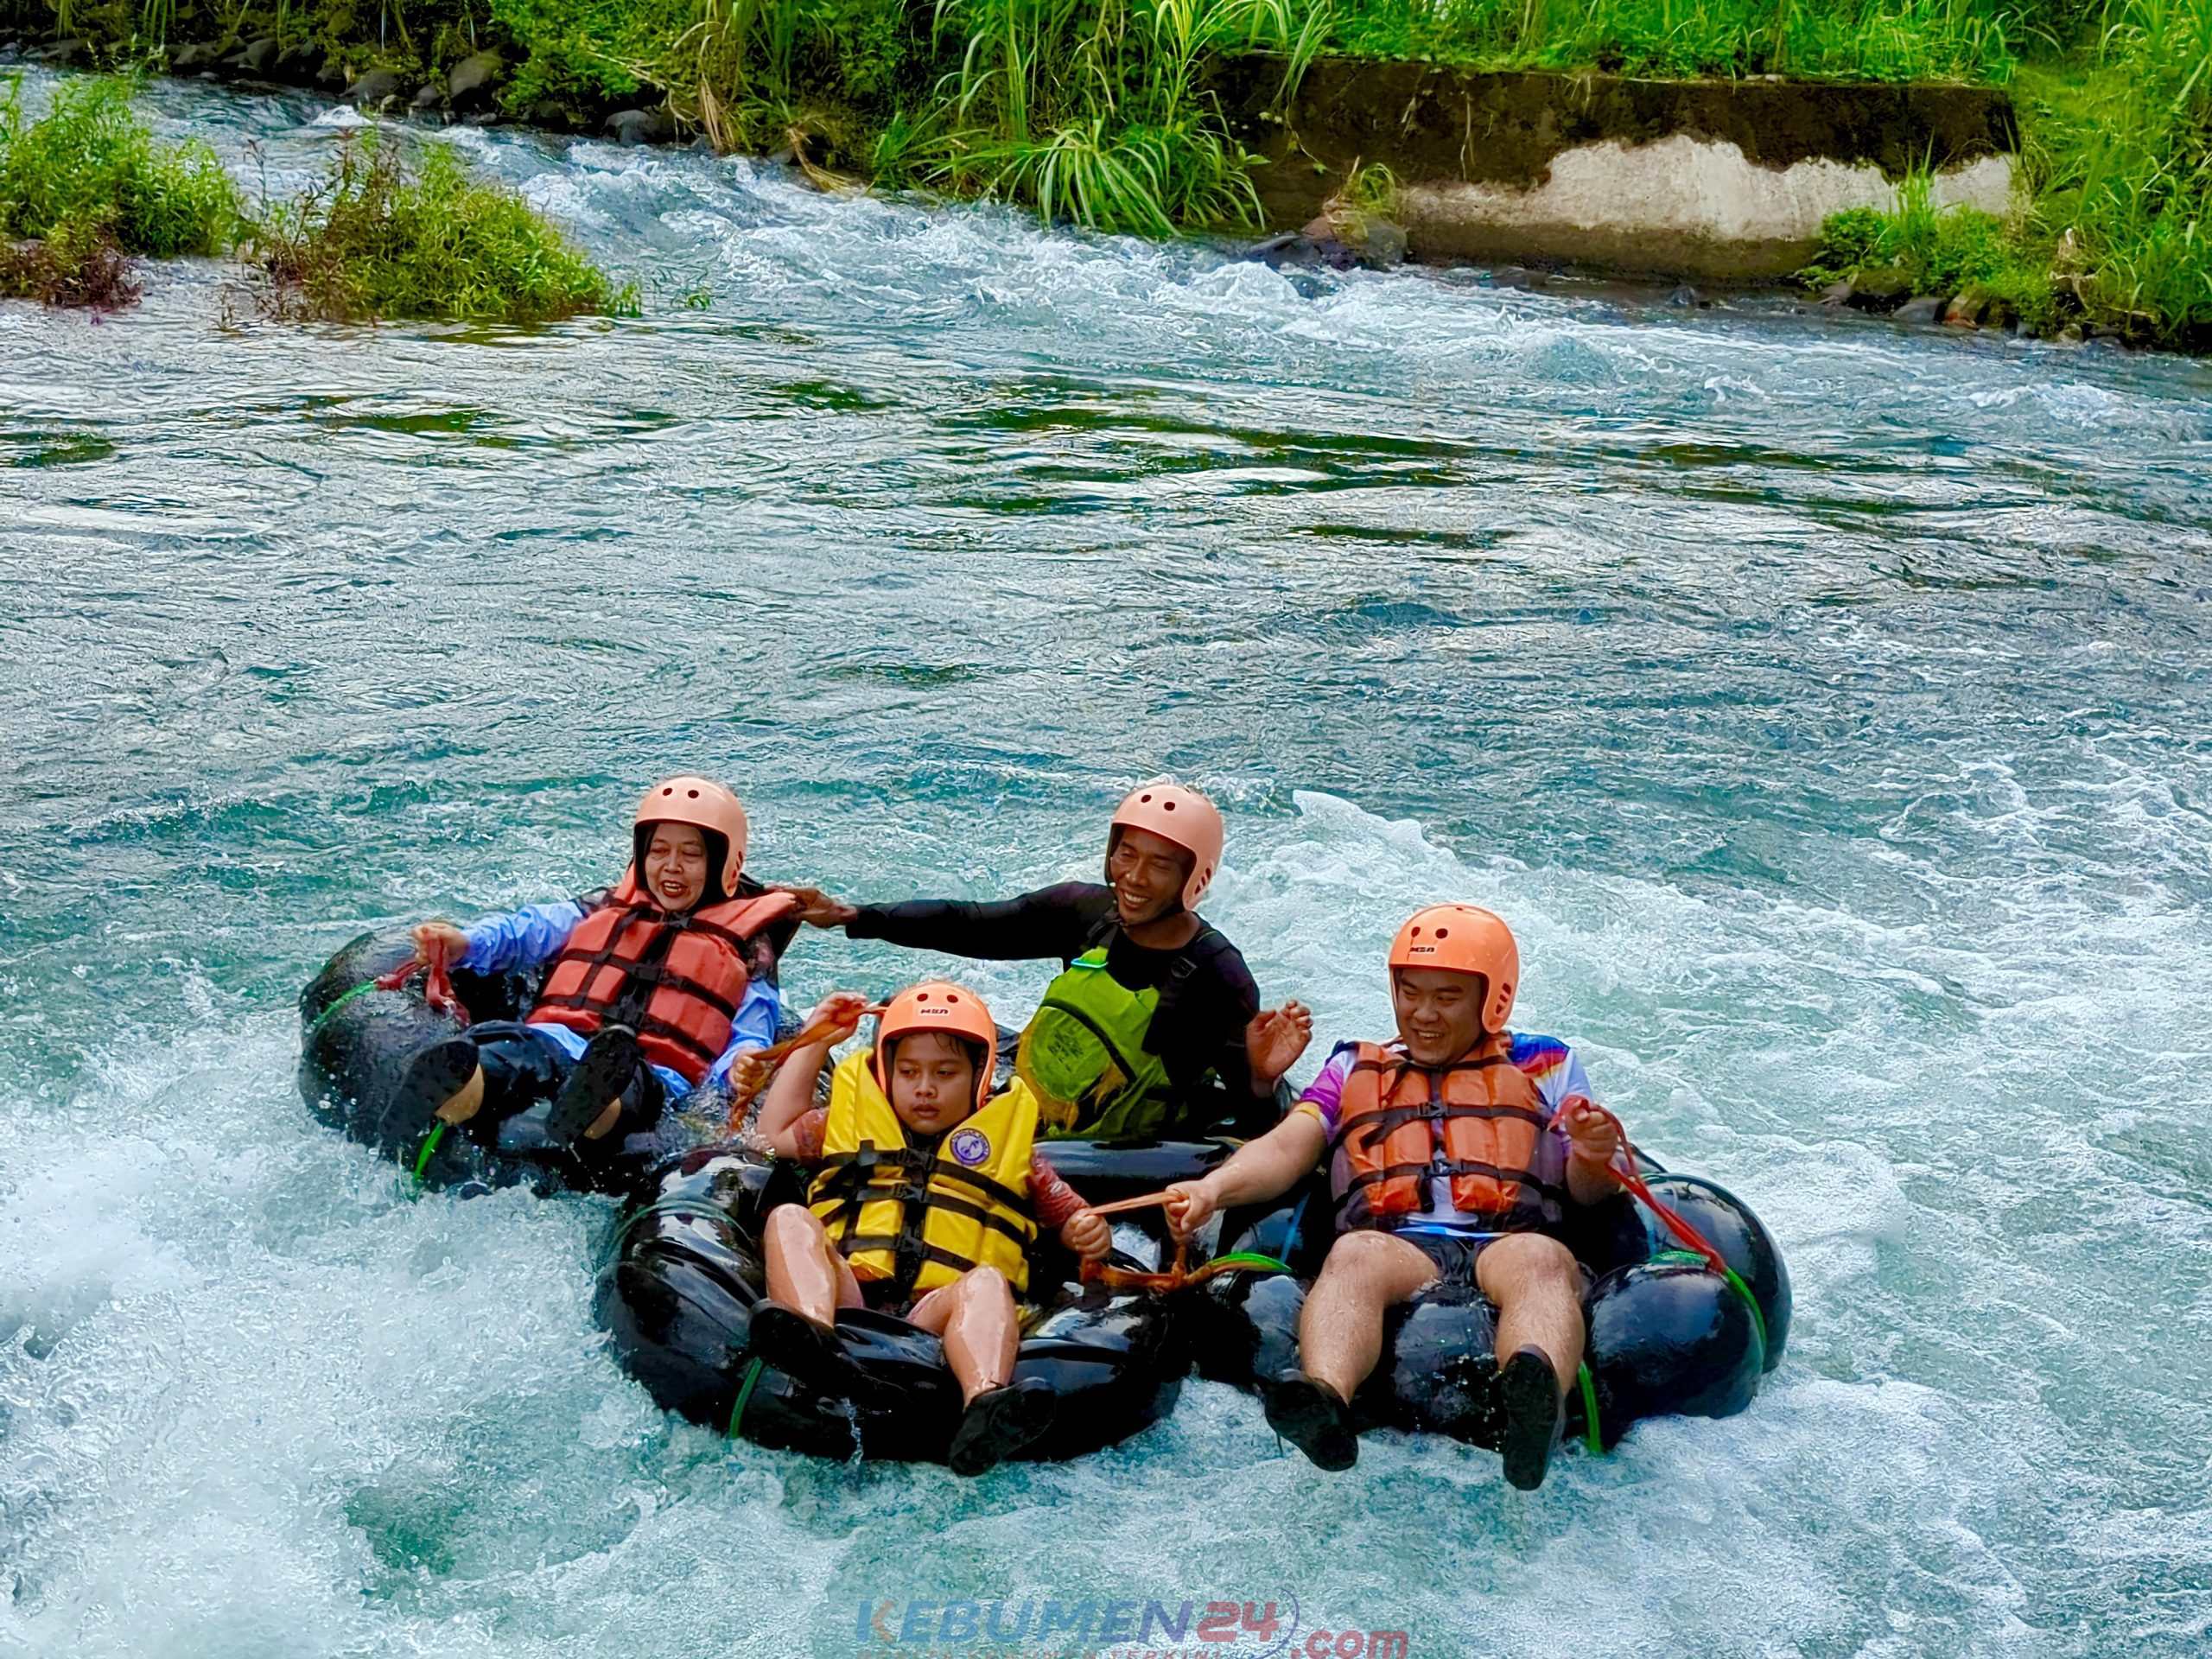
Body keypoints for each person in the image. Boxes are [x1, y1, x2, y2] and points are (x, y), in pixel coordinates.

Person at [1163, 904, 1626, 1489]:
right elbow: (1287, 1148)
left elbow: (1593, 1194)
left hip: (1507, 1238)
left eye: (1446, 998)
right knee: (1352, 1256)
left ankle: (1534, 1409)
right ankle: (1325, 1400)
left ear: (1494, 999)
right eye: (1409, 993)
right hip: (1398, 1244)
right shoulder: (1353, 1067)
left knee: (1542, 1263)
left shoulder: (1545, 1064)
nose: (1422, 1014)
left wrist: (1591, 1152)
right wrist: (1212, 1189)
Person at [780, 782, 1312, 1141]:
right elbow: (971, 922)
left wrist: (1262, 1078)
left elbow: (1254, 1123)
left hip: (1121, 1147)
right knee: (908, 1012)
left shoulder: (1219, 974)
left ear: (1194, 878)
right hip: (1039, 1097)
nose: (1133, 877)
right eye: (1126, 853)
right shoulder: (1086, 912)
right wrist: (854, 915)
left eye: (1160, 866)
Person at [747, 981, 1113, 1475]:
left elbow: (1072, 1219)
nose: (925, 1087)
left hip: (932, 1320)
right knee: (790, 1218)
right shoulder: (839, 1122)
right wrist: (815, 1041)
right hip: (849, 1297)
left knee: (986, 1281)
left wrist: (1087, 1232)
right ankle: (812, 1339)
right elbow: (770, 1137)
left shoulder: (1013, 1152)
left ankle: (985, 1402)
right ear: (886, 1072)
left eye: (946, 1073)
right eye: (909, 1071)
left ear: (979, 1077)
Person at [390, 777, 798, 1152]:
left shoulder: (747, 949)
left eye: (690, 855)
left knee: (627, 1085)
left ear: (726, 864)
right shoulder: (605, 908)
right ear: (640, 855)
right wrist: (467, 943)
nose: (672, 866)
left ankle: (594, 1110)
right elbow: (529, 930)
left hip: (652, 1072)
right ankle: (461, 1091)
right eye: (658, 851)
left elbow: (751, 1031)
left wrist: (740, 1068)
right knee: (515, 1051)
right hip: (560, 1038)